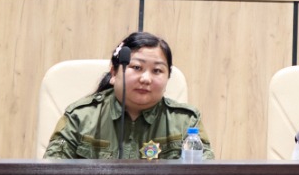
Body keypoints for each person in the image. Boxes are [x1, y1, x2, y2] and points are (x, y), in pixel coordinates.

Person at [44, 32, 203, 160]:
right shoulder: (80, 117)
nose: (146, 79)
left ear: (168, 77)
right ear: (113, 73)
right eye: (137, 67)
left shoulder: (186, 122)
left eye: (157, 71)